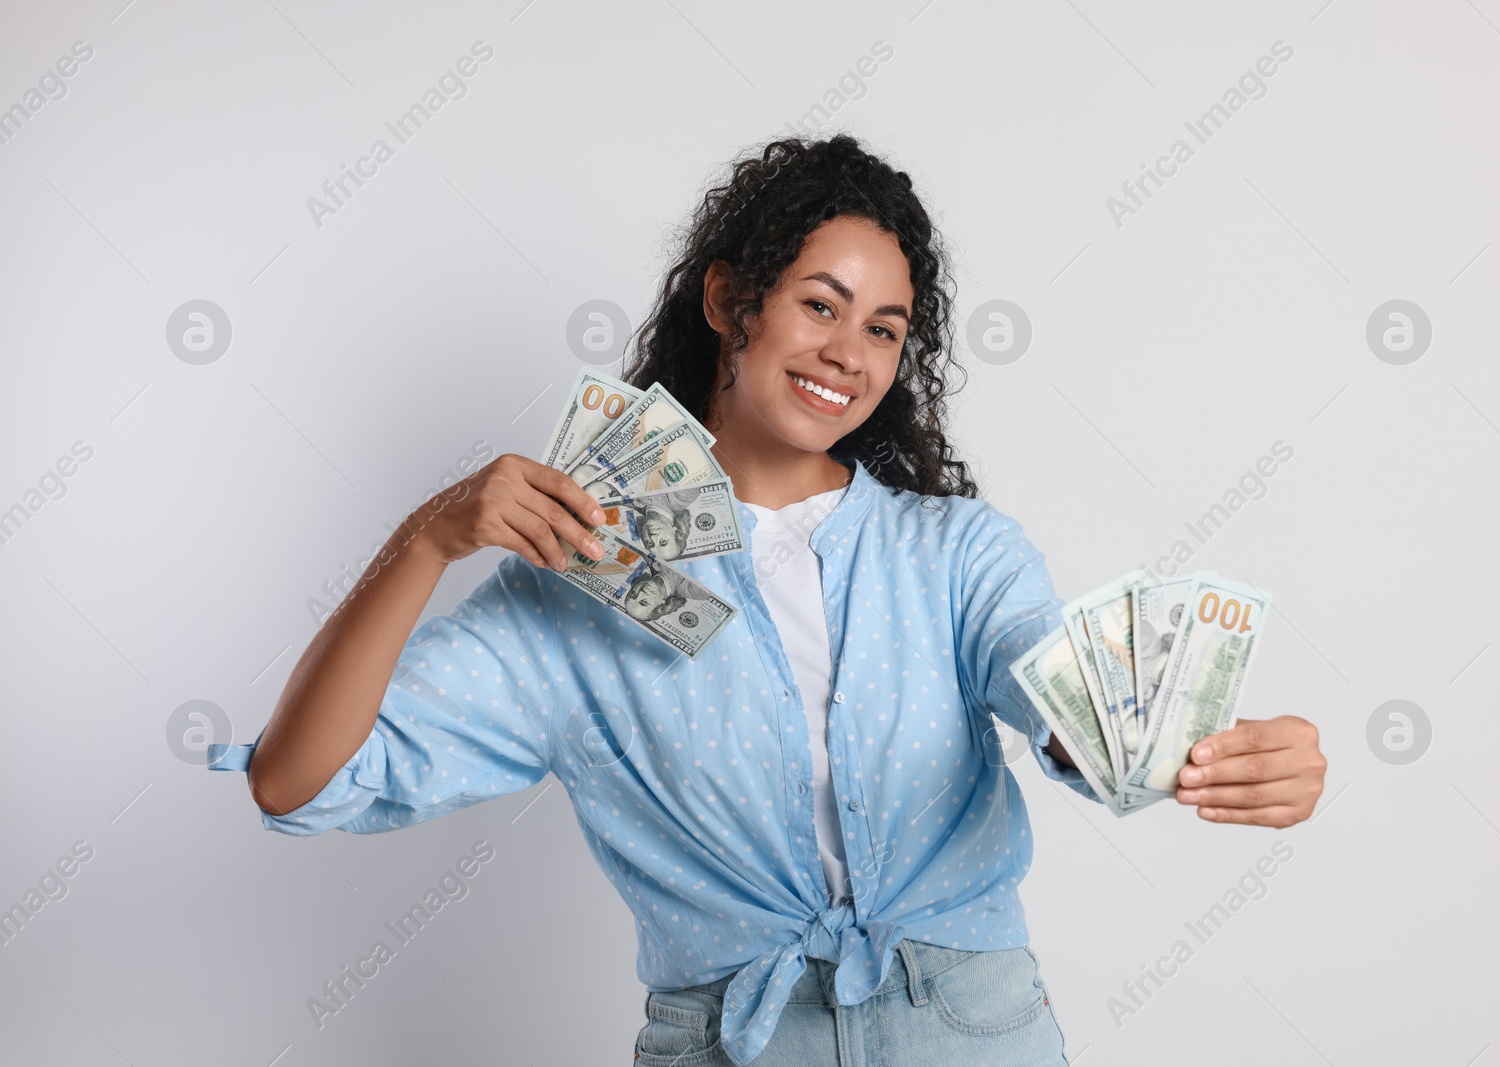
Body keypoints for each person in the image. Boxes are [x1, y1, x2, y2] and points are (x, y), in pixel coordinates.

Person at [210, 134, 1327, 1065]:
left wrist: (1204, 745)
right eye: (820, 304)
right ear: (728, 298)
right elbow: (297, 779)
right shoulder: (572, 582)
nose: (848, 352)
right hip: (730, 1041)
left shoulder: (957, 555)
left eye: (883, 328)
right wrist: (428, 536)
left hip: (972, 1031)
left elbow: (1072, 709)